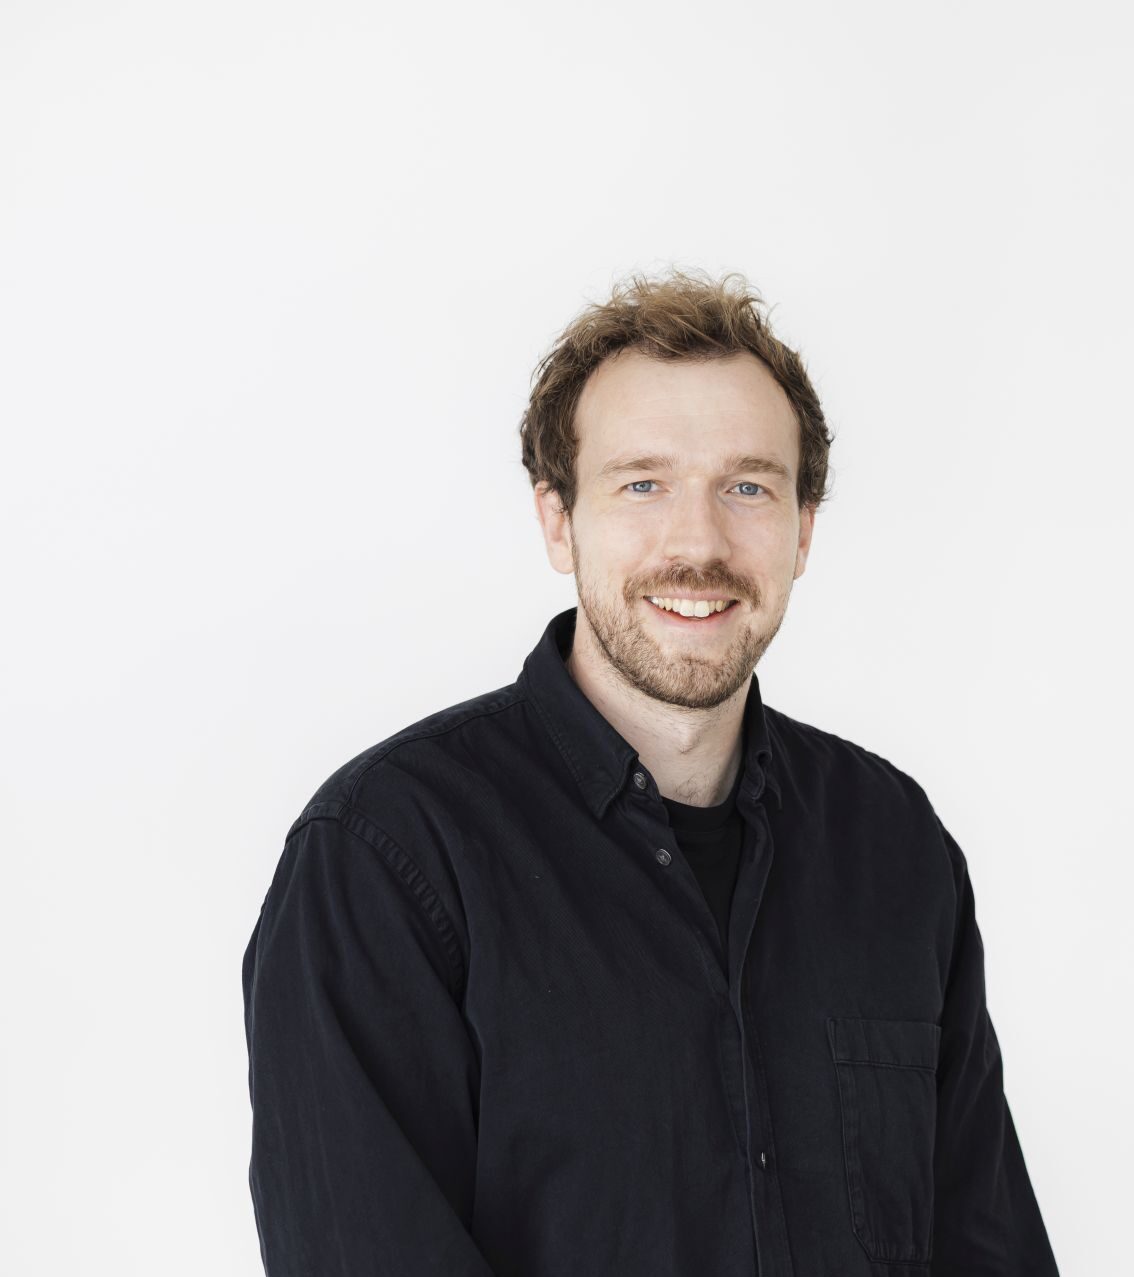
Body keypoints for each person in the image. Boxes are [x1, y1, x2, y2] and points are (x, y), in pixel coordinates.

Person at [241, 268, 1060, 1275]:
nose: (697, 543)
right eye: (642, 483)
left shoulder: (893, 845)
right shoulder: (385, 858)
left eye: (747, 486)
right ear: (557, 519)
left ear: (802, 529)